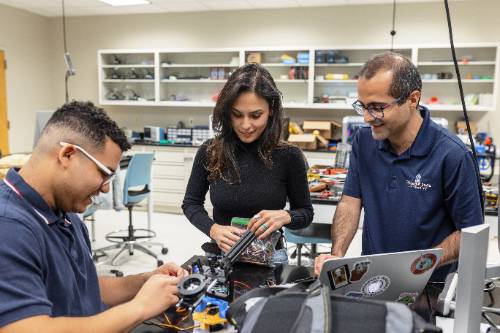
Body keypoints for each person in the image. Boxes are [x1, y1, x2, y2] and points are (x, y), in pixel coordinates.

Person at [0, 101, 187, 332]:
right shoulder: (9, 226)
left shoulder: (68, 216)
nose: (107, 189)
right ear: (68, 154)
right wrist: (139, 307)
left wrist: (144, 281)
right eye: (103, 173)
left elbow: (85, 287)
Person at [314, 52, 483, 281]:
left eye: (376, 107)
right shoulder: (363, 143)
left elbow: (470, 233)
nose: (366, 117)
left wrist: (419, 266)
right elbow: (351, 202)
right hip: (371, 278)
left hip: (426, 284)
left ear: (412, 99)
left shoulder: (453, 155)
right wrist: (337, 254)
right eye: (362, 106)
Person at [182, 63, 314, 254]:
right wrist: (214, 230)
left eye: (255, 115)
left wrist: (285, 216)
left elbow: (305, 212)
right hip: (222, 257)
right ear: (227, 112)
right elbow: (191, 203)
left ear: (271, 110)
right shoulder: (210, 151)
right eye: (237, 115)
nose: (246, 125)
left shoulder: (289, 156)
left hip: (271, 259)